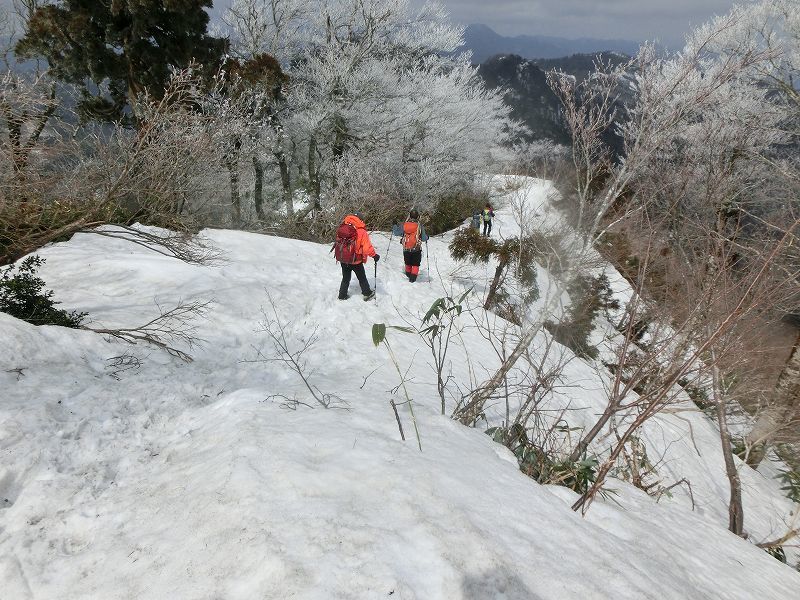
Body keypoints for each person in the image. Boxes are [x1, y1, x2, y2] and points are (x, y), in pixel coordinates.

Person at [334, 213, 379, 301]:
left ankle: (342, 295)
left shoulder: (343, 227)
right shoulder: (361, 231)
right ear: (360, 220)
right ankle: (367, 293)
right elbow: (367, 248)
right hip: (356, 259)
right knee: (362, 277)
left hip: (344, 258)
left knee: (345, 278)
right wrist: (374, 255)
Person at [396, 209, 428, 283]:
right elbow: (423, 238)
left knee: (408, 263)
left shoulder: (404, 224)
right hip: (416, 248)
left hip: (406, 248)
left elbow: (396, 233)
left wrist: (394, 225)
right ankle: (412, 279)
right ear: (417, 217)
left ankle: (408, 275)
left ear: (410, 216)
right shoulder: (419, 226)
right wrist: (427, 237)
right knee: (415, 264)